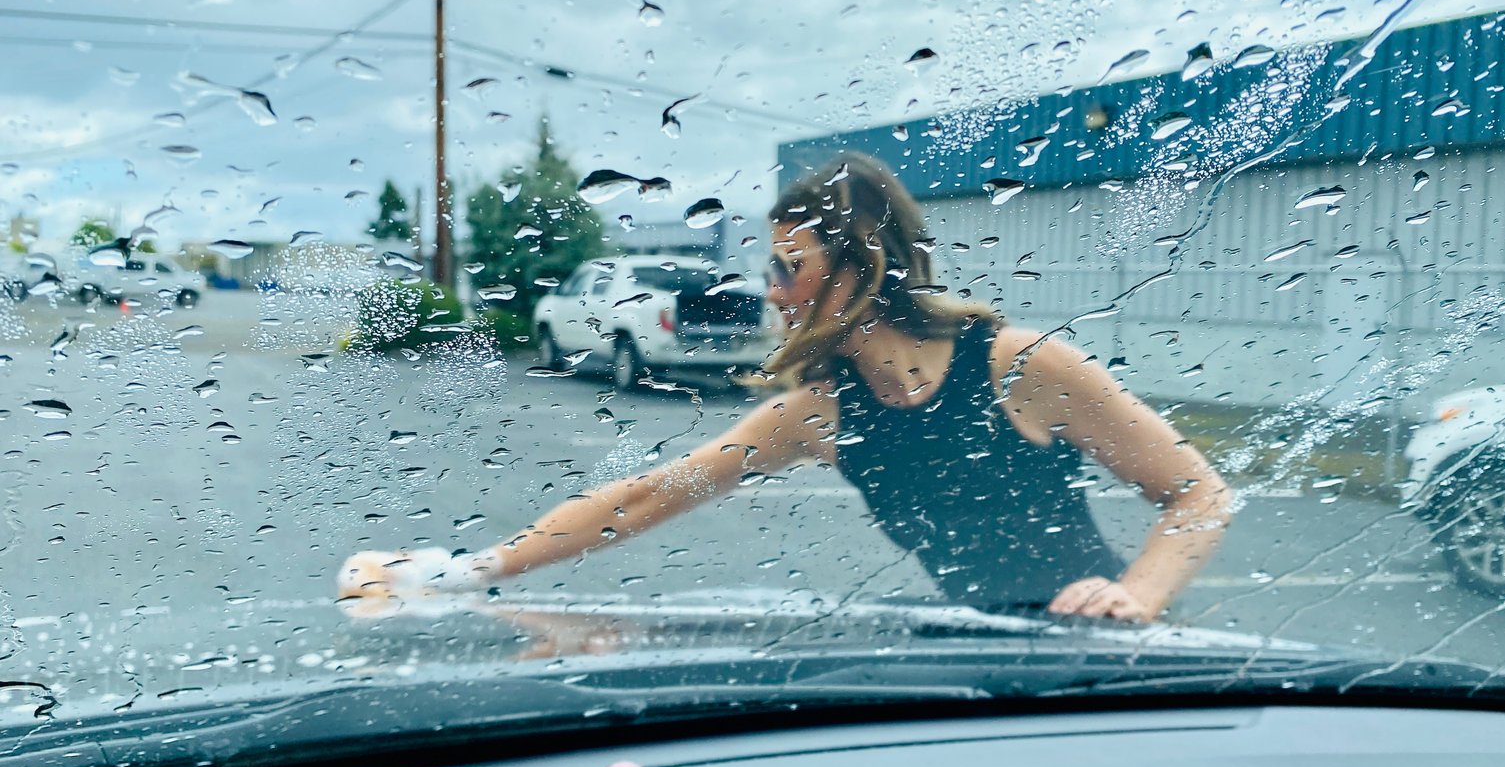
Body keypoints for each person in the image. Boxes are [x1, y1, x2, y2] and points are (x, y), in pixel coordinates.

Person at [340, 152, 1233, 623]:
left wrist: (1138, 597)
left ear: (861, 263)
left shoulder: (1020, 367)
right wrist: (465, 573)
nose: (770, 290)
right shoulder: (818, 413)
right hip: (979, 657)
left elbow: (1198, 494)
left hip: (1104, 665)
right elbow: (647, 497)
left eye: (787, 265)